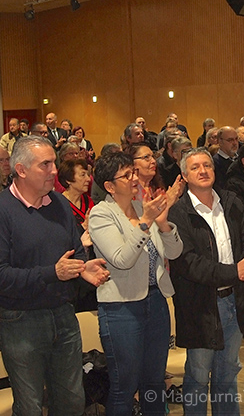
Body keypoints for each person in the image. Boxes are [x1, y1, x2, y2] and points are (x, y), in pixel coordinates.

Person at [0, 136, 110, 416]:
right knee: (30, 405)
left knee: (72, 401)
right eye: (45, 164)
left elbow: (74, 251)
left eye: (54, 163)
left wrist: (82, 268)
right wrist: (52, 273)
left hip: (63, 314)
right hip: (19, 321)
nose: (54, 171)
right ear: (21, 170)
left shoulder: (59, 204)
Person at [168, 148, 244, 416]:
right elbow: (189, 264)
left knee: (228, 372)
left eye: (207, 165)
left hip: (235, 299)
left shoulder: (230, 202)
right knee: (198, 375)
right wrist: (235, 271)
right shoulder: (178, 213)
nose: (203, 171)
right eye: (195, 167)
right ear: (184, 176)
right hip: (201, 305)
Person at [89, 152, 183, 415]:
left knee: (155, 381)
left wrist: (163, 225)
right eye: (126, 175)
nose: (134, 178)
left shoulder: (144, 208)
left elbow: (174, 253)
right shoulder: (101, 214)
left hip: (156, 301)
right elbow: (122, 259)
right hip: (121, 307)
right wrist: (145, 223)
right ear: (109, 186)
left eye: (133, 172)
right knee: (125, 385)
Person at [58, 158, 95, 230]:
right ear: (68, 180)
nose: (88, 179)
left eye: (88, 175)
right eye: (83, 175)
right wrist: (83, 226)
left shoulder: (88, 201)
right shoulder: (60, 205)